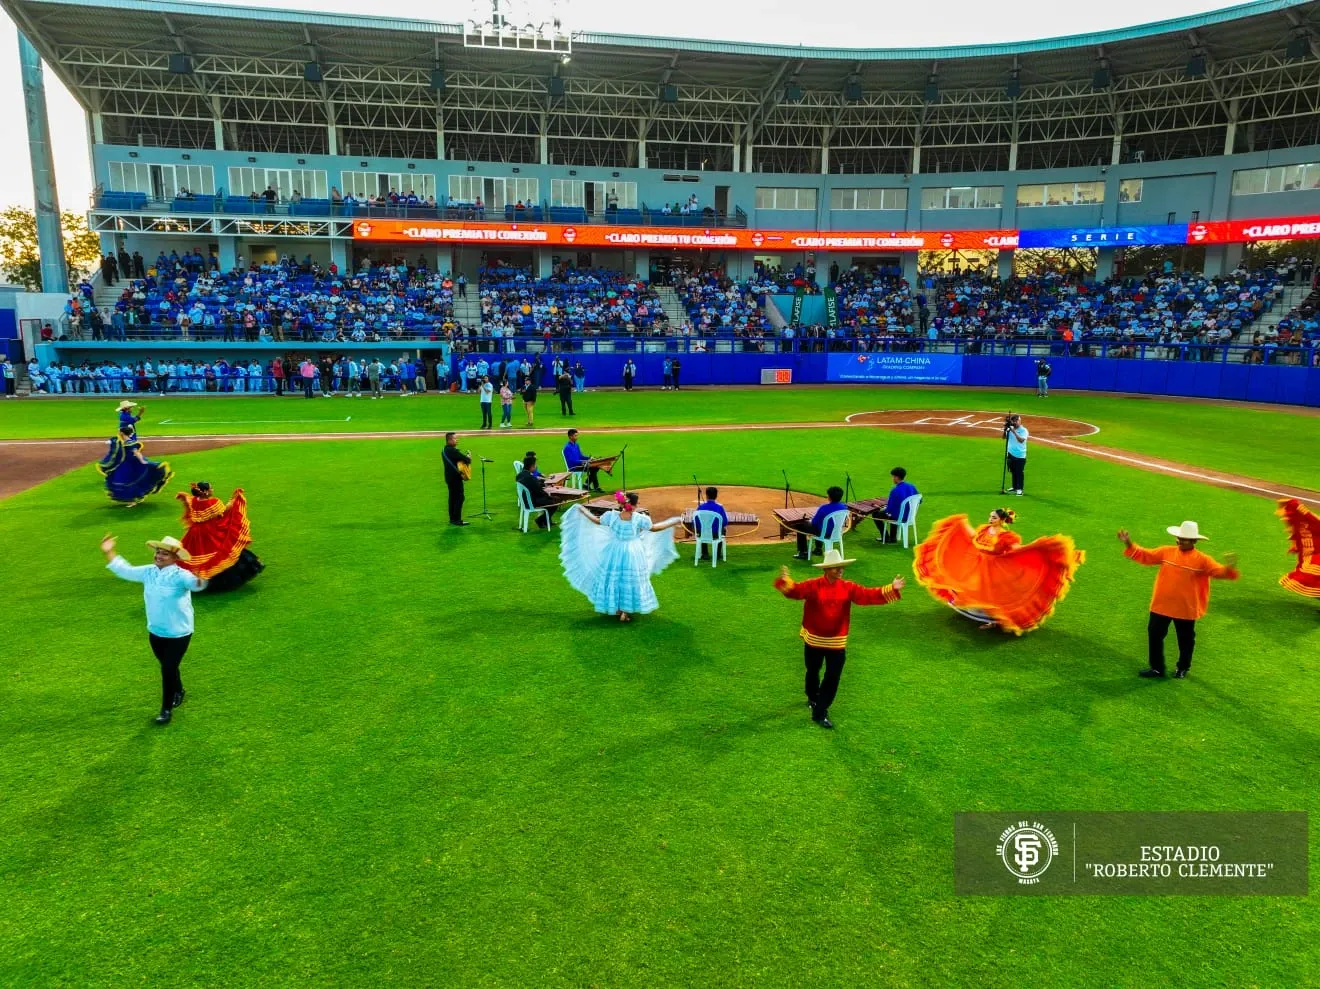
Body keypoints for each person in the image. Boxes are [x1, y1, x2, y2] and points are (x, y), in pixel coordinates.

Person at [774, 550, 905, 729]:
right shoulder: (813, 585)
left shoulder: (848, 587)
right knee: (812, 671)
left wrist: (891, 588)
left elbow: (866, 595)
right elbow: (795, 591)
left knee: (833, 677)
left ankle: (820, 711)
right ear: (826, 569)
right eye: (836, 567)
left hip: (837, 642)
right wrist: (785, 582)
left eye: (842, 567)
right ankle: (812, 696)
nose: (840, 570)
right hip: (814, 641)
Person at [912, 508, 1084, 634]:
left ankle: (994, 621)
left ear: (1001, 520)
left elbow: (1016, 550)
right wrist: (960, 527)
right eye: (990, 516)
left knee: (993, 595)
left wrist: (1035, 549)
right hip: (978, 565)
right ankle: (977, 613)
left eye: (993, 517)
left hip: (995, 569)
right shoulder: (984, 529)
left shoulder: (1007, 537)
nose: (990, 519)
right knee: (973, 589)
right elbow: (973, 538)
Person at [101, 533, 207, 725]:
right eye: (158, 552)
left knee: (167, 668)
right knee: (168, 666)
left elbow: (195, 584)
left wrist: (200, 579)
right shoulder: (148, 572)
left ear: (175, 558)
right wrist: (109, 552)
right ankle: (179, 690)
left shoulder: (181, 575)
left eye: (164, 554)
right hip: (156, 631)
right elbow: (125, 570)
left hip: (178, 633)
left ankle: (166, 710)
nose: (158, 556)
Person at [1118, 521, 1239, 679]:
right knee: (1154, 634)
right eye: (1179, 538)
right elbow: (1145, 555)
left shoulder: (1203, 560)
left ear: (1194, 541)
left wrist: (1230, 567)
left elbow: (1219, 572)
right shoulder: (1166, 551)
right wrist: (1128, 542)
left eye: (1184, 539)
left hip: (1185, 608)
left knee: (1185, 640)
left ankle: (1183, 667)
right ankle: (1157, 668)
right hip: (1162, 605)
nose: (1180, 541)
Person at [558, 491, 683, 622]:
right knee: (630, 580)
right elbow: (655, 528)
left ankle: (617, 608)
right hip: (633, 552)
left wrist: (583, 511)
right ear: (635, 504)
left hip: (614, 550)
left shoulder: (611, 516)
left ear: (622, 503)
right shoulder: (639, 518)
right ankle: (625, 612)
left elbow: (596, 521)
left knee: (615, 578)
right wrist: (672, 522)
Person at [175, 482, 265, 592]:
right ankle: (222, 582)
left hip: (195, 533)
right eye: (211, 488)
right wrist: (235, 499)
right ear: (205, 492)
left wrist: (184, 496)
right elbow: (225, 511)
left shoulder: (194, 501)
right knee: (224, 549)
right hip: (211, 531)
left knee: (195, 555)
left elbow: (189, 500)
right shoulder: (213, 502)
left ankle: (197, 581)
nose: (212, 490)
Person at [98, 427, 173, 506]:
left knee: (128, 481)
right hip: (124, 464)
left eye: (119, 431)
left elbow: (136, 452)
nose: (118, 433)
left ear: (122, 433)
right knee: (124, 481)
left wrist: (142, 461)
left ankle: (133, 501)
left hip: (130, 464)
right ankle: (136, 498)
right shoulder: (120, 442)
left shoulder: (130, 442)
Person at [1276, 498, 1320, 601]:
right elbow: (1295, 534)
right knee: (1310, 580)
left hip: (1316, 556)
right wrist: (1294, 545)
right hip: (1312, 555)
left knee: (1309, 577)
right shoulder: (1297, 522)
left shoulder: (1307, 518)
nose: (1283, 518)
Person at [791, 486, 847, 560]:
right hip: (836, 532)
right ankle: (818, 549)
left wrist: (809, 521)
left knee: (800, 525)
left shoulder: (824, 508)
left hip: (824, 533)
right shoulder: (844, 507)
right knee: (821, 525)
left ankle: (803, 552)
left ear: (829, 497)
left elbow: (814, 522)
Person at [871, 467, 919, 542]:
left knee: (876, 514)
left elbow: (889, 510)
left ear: (896, 477)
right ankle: (893, 538)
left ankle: (885, 537)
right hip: (910, 516)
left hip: (900, 517)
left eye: (893, 477)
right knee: (895, 512)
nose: (892, 479)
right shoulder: (912, 486)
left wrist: (883, 508)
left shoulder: (895, 490)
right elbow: (920, 500)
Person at [515, 455, 558, 529]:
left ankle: (546, 522)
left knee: (550, 500)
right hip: (531, 501)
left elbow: (533, 486)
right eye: (535, 465)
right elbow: (539, 492)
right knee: (554, 503)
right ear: (532, 466)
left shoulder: (519, 475)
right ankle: (540, 520)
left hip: (524, 500)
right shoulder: (530, 477)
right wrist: (549, 496)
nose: (536, 466)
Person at [442, 432, 472, 526]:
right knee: (460, 498)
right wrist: (469, 457)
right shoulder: (453, 451)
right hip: (455, 478)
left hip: (449, 478)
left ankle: (452, 519)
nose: (457, 440)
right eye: (455, 438)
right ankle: (457, 520)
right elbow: (467, 460)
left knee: (452, 498)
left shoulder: (444, 450)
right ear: (449, 440)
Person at [694, 486, 728, 562]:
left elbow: (695, 522)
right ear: (716, 496)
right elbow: (725, 522)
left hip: (703, 534)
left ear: (706, 495)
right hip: (716, 535)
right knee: (723, 530)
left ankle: (705, 554)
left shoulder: (700, 507)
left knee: (702, 529)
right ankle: (718, 554)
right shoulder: (719, 508)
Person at [1004, 414, 1028, 496]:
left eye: (1016, 421)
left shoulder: (1024, 430)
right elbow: (1004, 437)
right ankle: (1014, 487)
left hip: (1020, 455)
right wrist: (1005, 429)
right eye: (1013, 421)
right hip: (1010, 453)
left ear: (1019, 421)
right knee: (1013, 471)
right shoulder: (1009, 429)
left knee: (1019, 472)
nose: (1014, 422)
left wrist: (1014, 431)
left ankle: (1020, 489)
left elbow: (1021, 440)